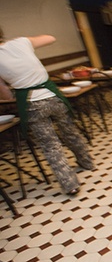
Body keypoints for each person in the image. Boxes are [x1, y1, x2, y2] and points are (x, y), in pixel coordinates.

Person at [0, 27, 94, 195]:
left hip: (32, 104)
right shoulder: (21, 42)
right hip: (53, 97)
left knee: (50, 146)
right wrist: (26, 43)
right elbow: (50, 38)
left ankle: (70, 184)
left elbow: (6, 96)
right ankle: (87, 162)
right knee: (69, 132)